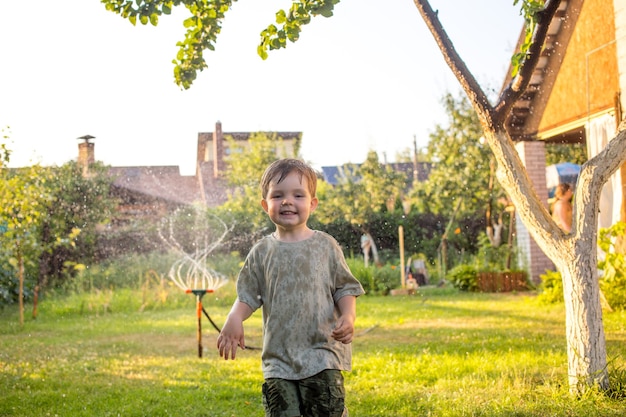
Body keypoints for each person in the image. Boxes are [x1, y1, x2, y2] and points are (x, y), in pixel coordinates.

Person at [217, 158, 365, 417]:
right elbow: (249, 295)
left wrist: (348, 316)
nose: (287, 201)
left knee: (325, 411)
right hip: (278, 359)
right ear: (265, 205)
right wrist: (234, 318)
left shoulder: (325, 246)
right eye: (278, 195)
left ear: (312, 203)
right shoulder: (262, 252)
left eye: (298, 195)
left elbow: (344, 288)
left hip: (322, 353)